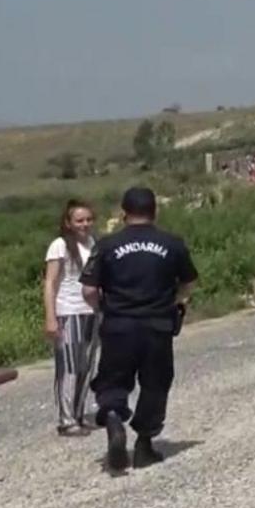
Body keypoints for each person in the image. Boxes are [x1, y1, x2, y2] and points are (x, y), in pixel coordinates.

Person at [81, 187, 198, 471]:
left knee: (113, 380)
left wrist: (103, 309)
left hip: (119, 325)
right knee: (155, 384)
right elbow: (188, 284)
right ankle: (144, 445)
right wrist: (174, 302)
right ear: (154, 211)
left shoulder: (107, 246)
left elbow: (88, 290)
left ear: (123, 213)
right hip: (157, 326)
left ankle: (112, 418)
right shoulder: (172, 243)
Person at [42, 199, 99, 435]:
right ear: (68, 222)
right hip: (68, 311)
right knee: (69, 367)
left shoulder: (91, 243)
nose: (84, 224)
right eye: (79, 220)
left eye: (88, 219)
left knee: (87, 365)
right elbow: (50, 283)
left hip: (90, 311)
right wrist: (51, 317)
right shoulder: (59, 246)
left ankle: (79, 413)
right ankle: (66, 419)